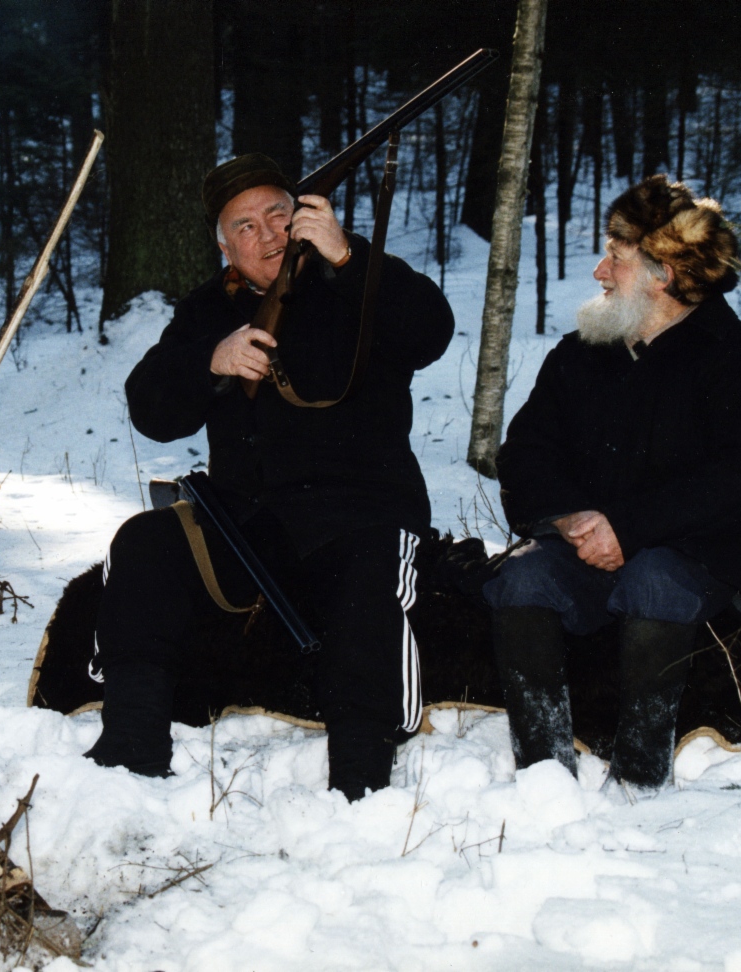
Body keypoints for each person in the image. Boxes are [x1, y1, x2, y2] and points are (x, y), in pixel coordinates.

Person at [83, 154, 455, 799]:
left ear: (304, 216)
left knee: (370, 578)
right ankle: (131, 751)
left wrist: (349, 257)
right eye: (246, 227)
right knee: (144, 542)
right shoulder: (208, 309)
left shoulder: (354, 280)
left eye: (279, 214)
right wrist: (212, 362)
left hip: (359, 512)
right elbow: (151, 411)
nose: (269, 234)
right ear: (226, 247)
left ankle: (361, 779)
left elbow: (431, 332)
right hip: (246, 521)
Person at [485, 175, 741, 790]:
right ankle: (544, 773)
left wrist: (629, 527)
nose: (600, 271)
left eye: (617, 258)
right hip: (584, 546)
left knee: (655, 580)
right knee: (521, 577)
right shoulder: (580, 353)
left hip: (698, 556)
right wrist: (571, 519)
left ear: (665, 274)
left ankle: (640, 778)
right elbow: (525, 451)